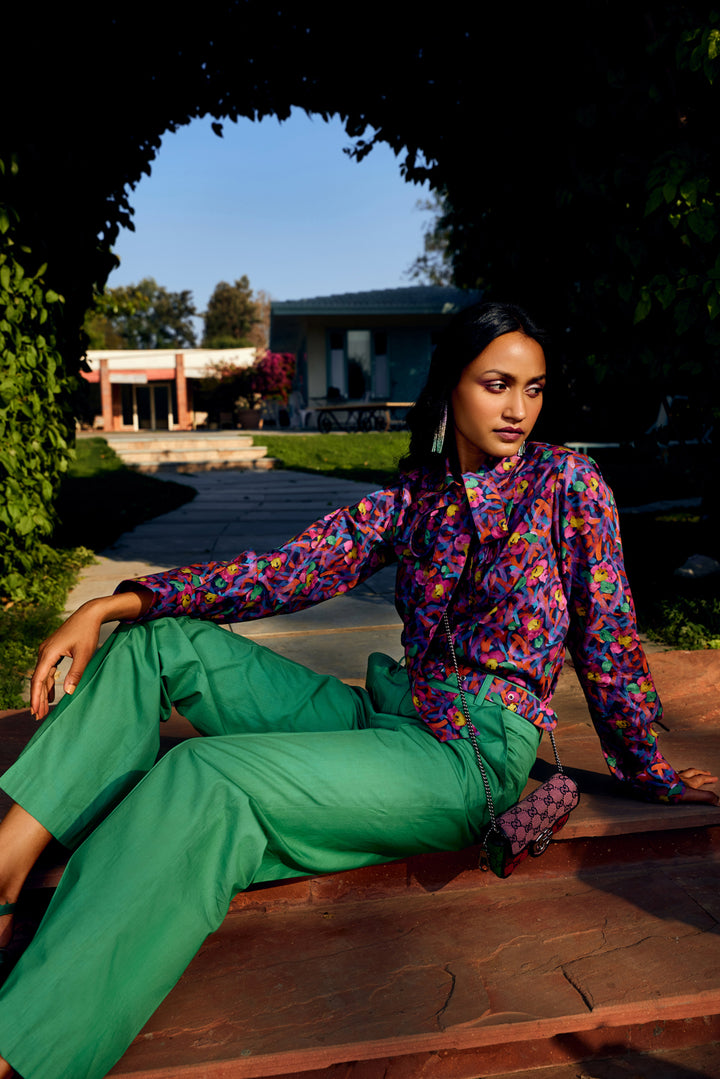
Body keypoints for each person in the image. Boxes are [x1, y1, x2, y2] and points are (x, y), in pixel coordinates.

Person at [0, 301, 716, 1079]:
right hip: (387, 716)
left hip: (467, 760)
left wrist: (649, 767)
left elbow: (606, 633)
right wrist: (114, 602)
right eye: (496, 384)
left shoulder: (568, 484)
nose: (518, 409)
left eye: (534, 389)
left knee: (206, 776)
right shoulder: (415, 498)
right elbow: (288, 571)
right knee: (159, 644)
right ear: (451, 387)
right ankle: (6, 866)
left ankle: (20, 1050)